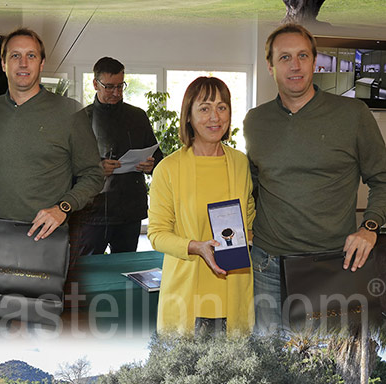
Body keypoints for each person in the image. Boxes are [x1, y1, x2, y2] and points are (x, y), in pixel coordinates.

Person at [244, 23, 386, 331]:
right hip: (268, 265)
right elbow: (252, 186)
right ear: (270, 66)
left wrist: (370, 227)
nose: (294, 65)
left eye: (302, 56)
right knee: (270, 363)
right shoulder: (255, 121)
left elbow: (382, 178)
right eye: (284, 58)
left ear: (314, 61)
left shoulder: (353, 114)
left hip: (333, 264)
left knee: (325, 367)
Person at [0, 28, 103, 249]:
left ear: (41, 64)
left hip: (45, 238)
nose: (23, 63)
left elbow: (93, 175)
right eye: (15, 55)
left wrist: (63, 208)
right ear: (3, 64)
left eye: (31, 56)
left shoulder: (70, 112)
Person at [148, 76, 254, 334]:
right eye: (204, 108)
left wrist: (250, 233)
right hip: (188, 291)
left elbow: (248, 214)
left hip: (235, 287)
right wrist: (196, 247)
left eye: (222, 107)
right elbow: (157, 234)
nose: (214, 117)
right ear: (189, 116)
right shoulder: (168, 169)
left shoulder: (240, 163)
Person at [77, 57, 162, 255]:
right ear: (95, 84)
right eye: (109, 87)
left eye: (120, 86)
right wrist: (96, 169)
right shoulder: (80, 120)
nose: (116, 92)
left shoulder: (138, 116)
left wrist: (152, 164)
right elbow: (66, 167)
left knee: (127, 269)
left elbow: (158, 157)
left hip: (130, 209)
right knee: (89, 271)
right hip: (92, 212)